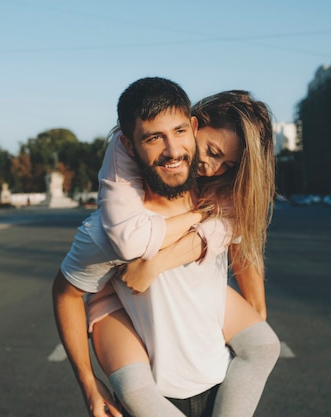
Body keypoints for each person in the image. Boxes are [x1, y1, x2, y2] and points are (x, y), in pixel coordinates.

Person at [52, 78, 279, 417]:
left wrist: (256, 308)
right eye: (155, 138)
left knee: (264, 345)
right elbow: (66, 292)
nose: (212, 167)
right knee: (135, 387)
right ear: (130, 146)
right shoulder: (111, 229)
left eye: (227, 165)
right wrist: (88, 383)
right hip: (155, 394)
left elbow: (241, 245)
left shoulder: (216, 201)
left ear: (191, 127)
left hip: (219, 379)